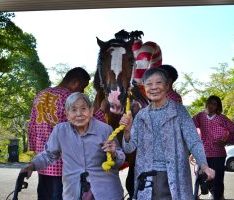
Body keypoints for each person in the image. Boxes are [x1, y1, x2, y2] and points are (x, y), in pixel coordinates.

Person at [120, 68, 215, 200]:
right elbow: (129, 147)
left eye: (158, 83)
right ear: (144, 87)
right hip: (146, 178)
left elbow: (194, 141)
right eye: (149, 84)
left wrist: (204, 165)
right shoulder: (141, 115)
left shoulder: (179, 111)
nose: (154, 87)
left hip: (174, 176)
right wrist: (127, 131)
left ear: (166, 86)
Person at [23, 93, 125, 200]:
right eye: (74, 110)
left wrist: (114, 153)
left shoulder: (105, 130)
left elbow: (120, 160)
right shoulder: (60, 131)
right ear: (67, 115)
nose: (79, 114)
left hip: (106, 193)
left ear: (91, 111)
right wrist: (32, 165)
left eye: (83, 108)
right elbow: (48, 155)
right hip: (74, 192)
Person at [28, 67, 106, 200]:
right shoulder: (70, 98)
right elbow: (86, 121)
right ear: (75, 82)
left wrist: (34, 150)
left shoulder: (41, 95)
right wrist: (102, 110)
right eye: (82, 87)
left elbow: (31, 126)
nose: (82, 91)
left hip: (43, 162)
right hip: (63, 164)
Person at [193, 95, 234, 200]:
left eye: (214, 104)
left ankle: (217, 196)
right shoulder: (200, 116)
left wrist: (226, 141)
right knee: (201, 177)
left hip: (218, 154)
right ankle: (206, 193)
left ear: (218, 106)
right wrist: (193, 148)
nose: (211, 106)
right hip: (203, 154)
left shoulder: (222, 118)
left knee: (218, 180)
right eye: (209, 103)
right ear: (206, 104)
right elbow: (189, 127)